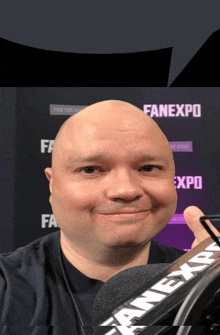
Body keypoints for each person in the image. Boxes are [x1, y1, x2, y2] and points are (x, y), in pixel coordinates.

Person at [0, 100, 218, 335]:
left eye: (148, 168)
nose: (125, 190)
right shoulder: (6, 288)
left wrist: (212, 285)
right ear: (52, 183)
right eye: (91, 169)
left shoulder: (209, 283)